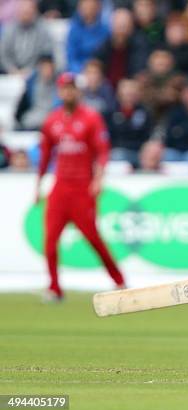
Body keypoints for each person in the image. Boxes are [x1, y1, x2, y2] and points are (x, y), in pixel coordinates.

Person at [35, 72, 125, 301]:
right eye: (64, 88)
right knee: (50, 241)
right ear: (59, 91)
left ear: (78, 91)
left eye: (72, 88)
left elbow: (102, 151)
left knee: (93, 239)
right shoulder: (52, 121)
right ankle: (54, 288)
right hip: (59, 187)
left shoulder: (91, 118)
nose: (68, 92)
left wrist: (98, 178)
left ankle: (119, 280)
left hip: (82, 188)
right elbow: (45, 156)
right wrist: (38, 186)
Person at [0, 0, 53, 77]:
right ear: (18, 12)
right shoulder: (9, 28)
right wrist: (12, 70)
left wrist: (30, 70)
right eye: (23, 12)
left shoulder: (43, 29)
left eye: (28, 12)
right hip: (10, 72)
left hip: (35, 74)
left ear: (34, 12)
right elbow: (3, 55)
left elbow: (45, 54)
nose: (25, 15)